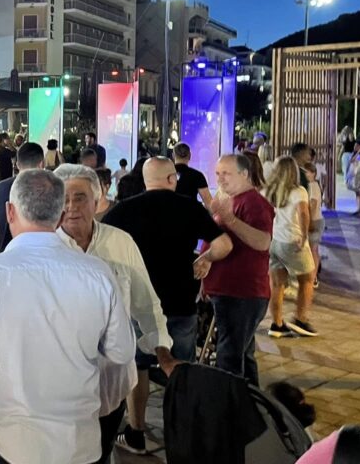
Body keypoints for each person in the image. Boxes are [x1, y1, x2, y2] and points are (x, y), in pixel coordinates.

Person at [0, 169, 134, 464]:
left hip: (13, 443)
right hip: (79, 442)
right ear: (60, 216)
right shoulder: (97, 272)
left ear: (10, 211)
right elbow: (122, 351)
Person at [102, 157, 233, 454]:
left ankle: (136, 433)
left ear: (145, 179)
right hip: (181, 301)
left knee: (138, 368)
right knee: (181, 367)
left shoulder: (123, 210)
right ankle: (181, 434)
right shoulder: (189, 207)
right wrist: (205, 259)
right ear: (172, 179)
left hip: (138, 304)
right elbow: (224, 244)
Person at [53, 164, 176, 464]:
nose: (71, 207)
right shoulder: (44, 248)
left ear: (97, 201)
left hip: (110, 384)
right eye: (64, 199)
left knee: (100, 452)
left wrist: (162, 351)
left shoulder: (120, 243)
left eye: (80, 197)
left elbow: (147, 303)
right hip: (58, 389)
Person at [206, 154, 275, 385]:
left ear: (244, 174)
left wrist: (230, 220)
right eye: (218, 174)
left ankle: (230, 401)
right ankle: (251, 399)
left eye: (226, 173)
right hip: (230, 290)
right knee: (243, 353)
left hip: (241, 293)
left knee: (229, 357)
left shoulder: (254, 203)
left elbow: (262, 241)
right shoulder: (230, 199)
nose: (220, 179)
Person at [265, 156, 319, 338]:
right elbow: (303, 213)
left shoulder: (270, 191)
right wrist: (304, 237)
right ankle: (301, 319)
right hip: (292, 240)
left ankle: (277, 323)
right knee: (307, 278)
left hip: (275, 241)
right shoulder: (299, 191)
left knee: (277, 283)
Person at [0, 142, 44, 253]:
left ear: (17, 164)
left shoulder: (0, 188)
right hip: (33, 253)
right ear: (41, 164)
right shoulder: (44, 190)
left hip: (4, 252)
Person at [305, 162, 324, 288]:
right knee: (313, 250)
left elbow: (313, 203)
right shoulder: (313, 185)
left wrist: (308, 220)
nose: (306, 174)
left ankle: (313, 277)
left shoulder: (313, 186)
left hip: (315, 220)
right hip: (316, 220)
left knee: (313, 250)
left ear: (313, 173)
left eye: (307, 172)